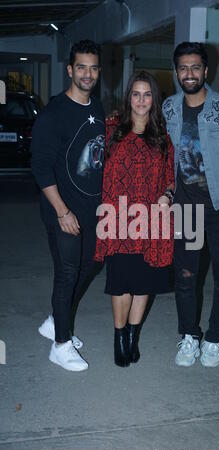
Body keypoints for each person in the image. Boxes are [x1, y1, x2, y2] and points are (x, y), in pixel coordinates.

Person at [162, 42, 219, 368]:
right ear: (177, 72)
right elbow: (166, 154)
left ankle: (214, 338)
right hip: (186, 210)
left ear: (206, 71)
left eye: (195, 67)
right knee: (185, 276)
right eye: (183, 68)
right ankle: (189, 335)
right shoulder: (169, 108)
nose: (189, 74)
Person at [31, 39, 105, 371]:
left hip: (91, 210)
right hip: (63, 212)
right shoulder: (53, 114)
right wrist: (62, 211)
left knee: (90, 265)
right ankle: (61, 344)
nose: (87, 74)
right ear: (70, 69)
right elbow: (41, 168)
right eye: (81, 67)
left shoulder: (98, 108)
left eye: (93, 68)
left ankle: (54, 322)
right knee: (67, 274)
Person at [94, 71, 174, 367]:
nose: (141, 100)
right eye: (136, 94)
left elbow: (170, 177)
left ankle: (132, 335)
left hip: (150, 220)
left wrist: (167, 194)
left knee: (143, 284)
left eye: (147, 94)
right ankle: (118, 336)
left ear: (154, 99)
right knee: (120, 283)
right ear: (129, 97)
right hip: (116, 220)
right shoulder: (111, 129)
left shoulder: (162, 137)